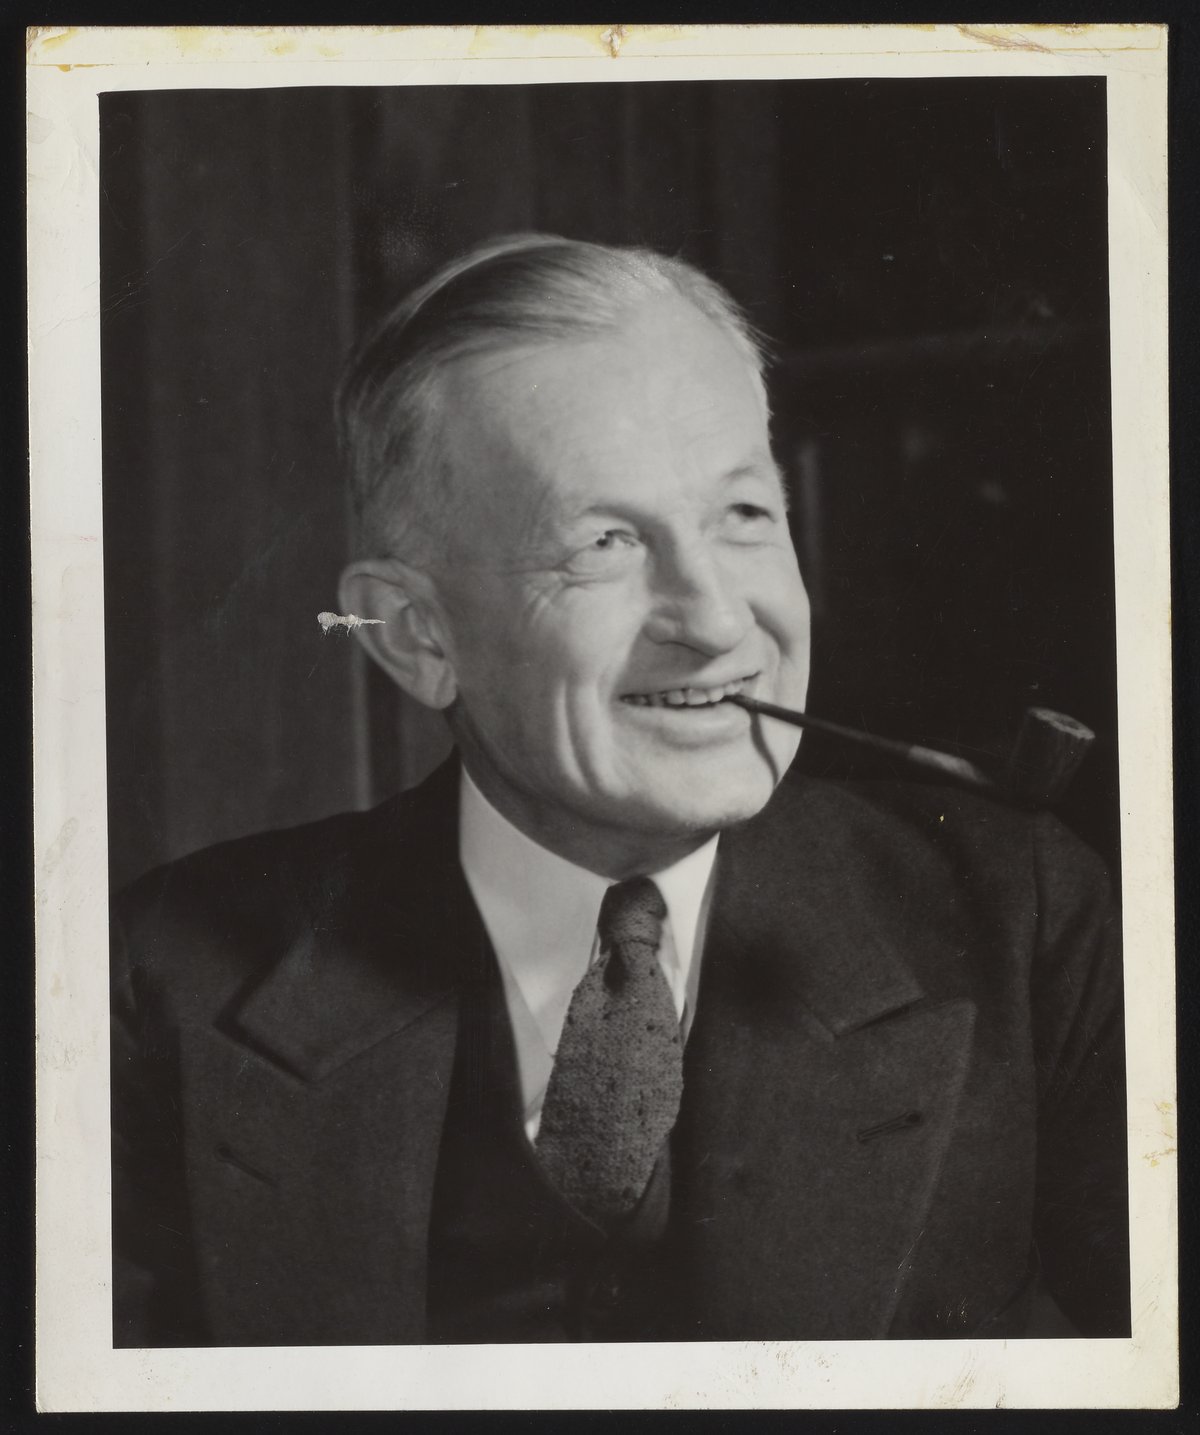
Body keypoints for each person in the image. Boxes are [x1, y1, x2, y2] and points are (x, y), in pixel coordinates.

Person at [111, 234, 1129, 1347]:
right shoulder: (160, 979)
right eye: (604, 542)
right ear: (417, 636)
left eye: (744, 516)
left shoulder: (1024, 924)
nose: (718, 621)